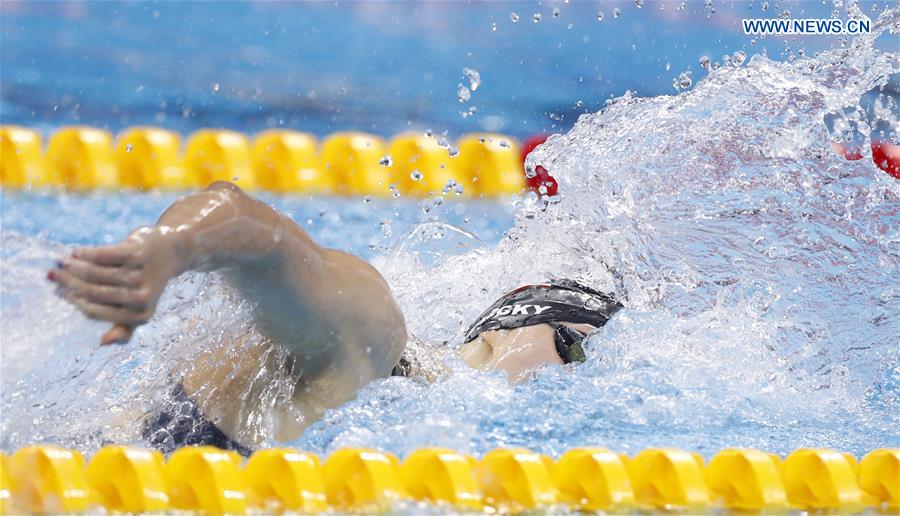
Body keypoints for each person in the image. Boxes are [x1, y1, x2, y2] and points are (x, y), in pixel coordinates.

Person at [48, 181, 622, 454]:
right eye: (574, 348)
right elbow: (245, 220)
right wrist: (164, 250)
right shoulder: (373, 336)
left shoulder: (414, 423)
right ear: (504, 331)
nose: (575, 381)